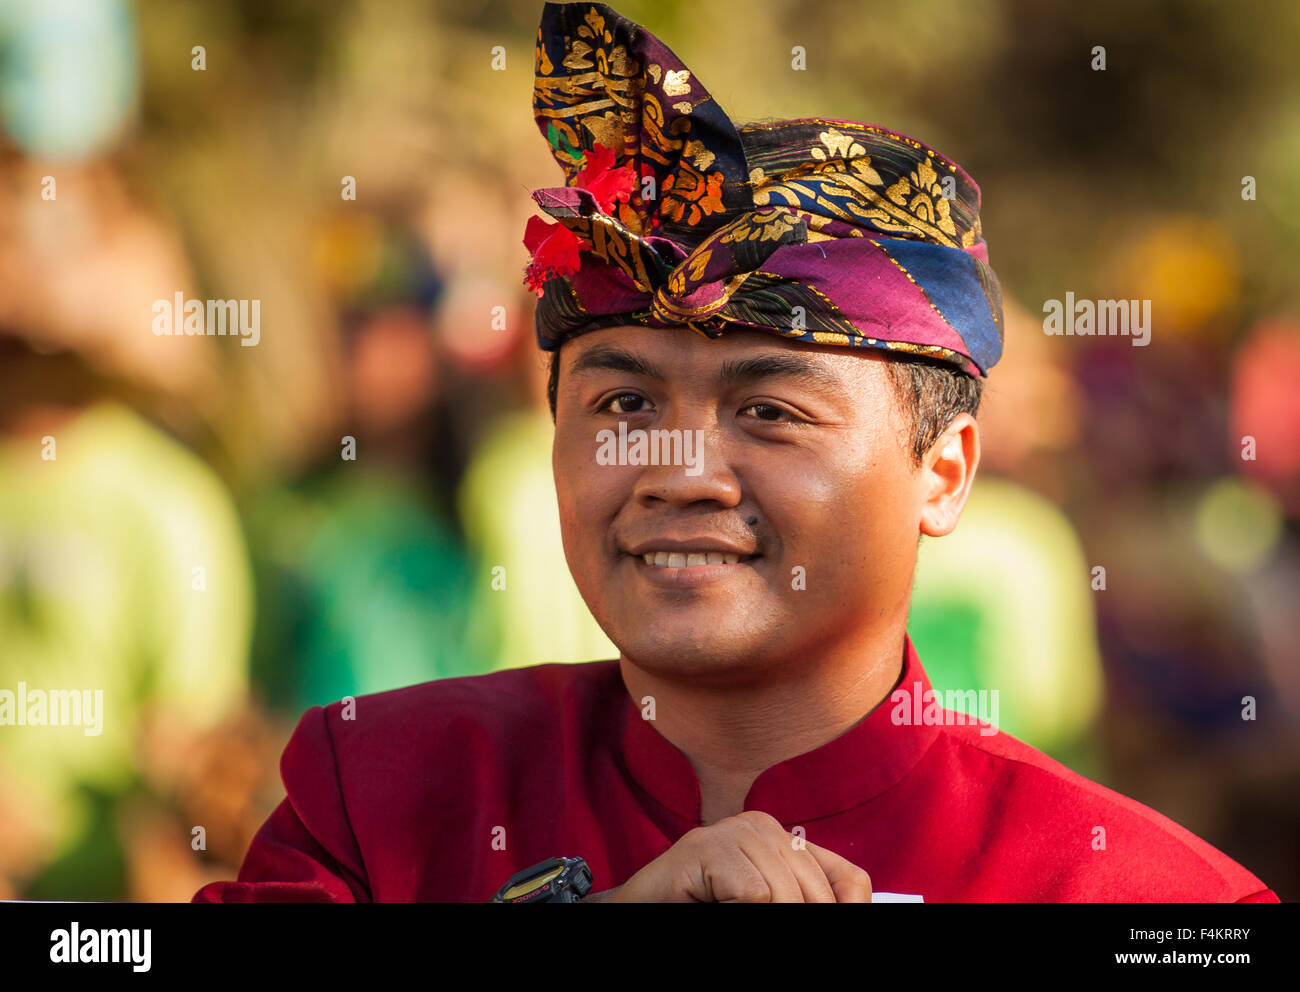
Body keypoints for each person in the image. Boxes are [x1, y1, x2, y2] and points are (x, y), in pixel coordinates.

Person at [193, 1, 1277, 902]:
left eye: (769, 411)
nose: (678, 467)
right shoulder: (384, 798)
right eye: (622, 401)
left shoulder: (1137, 895)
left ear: (941, 472)